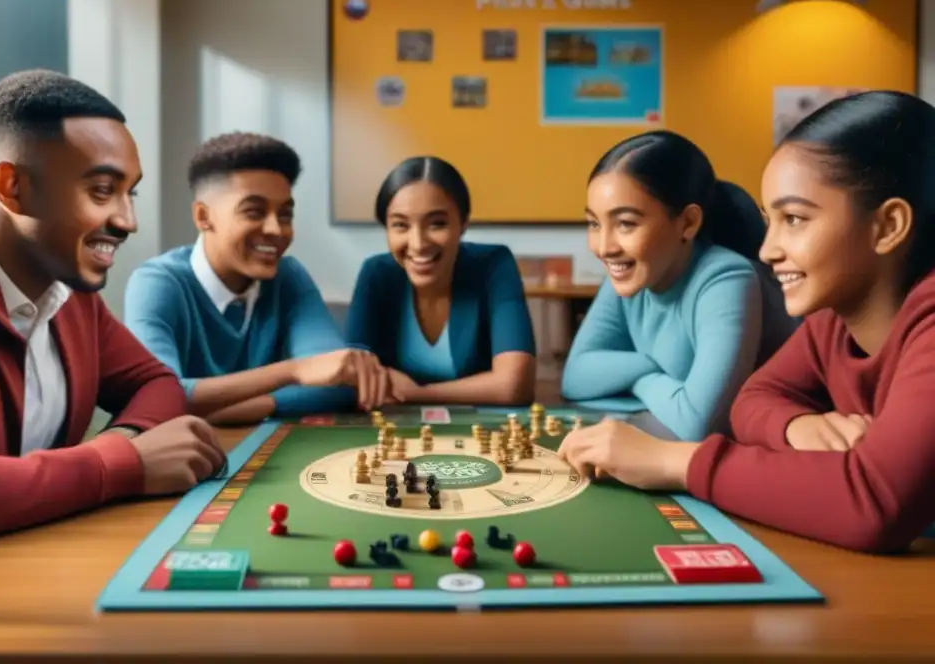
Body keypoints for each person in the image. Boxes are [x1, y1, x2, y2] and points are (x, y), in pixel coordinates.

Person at [558, 90, 935, 554]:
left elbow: (873, 502)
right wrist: (795, 425)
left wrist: (678, 462)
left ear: (888, 226)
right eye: (768, 219)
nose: (767, 250)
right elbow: (753, 399)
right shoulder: (831, 322)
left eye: (794, 219)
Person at [0, 69, 224, 561]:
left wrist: (122, 445)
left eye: (130, 192)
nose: (127, 221)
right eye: (102, 190)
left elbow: (156, 383)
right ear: (12, 187)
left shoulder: (68, 288)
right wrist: (119, 465)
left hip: (23, 563)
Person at [124, 132, 390, 425]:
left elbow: (339, 380)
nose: (276, 230)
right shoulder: (157, 283)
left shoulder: (288, 276)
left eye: (285, 215)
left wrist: (247, 407)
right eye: (254, 212)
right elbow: (157, 396)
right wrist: (294, 372)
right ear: (203, 217)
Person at [560, 131, 798, 441]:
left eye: (626, 223)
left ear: (687, 223)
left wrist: (635, 378)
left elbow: (699, 424)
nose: (604, 247)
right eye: (594, 223)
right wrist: (652, 371)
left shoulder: (727, 278)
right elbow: (576, 376)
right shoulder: (633, 272)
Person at [345, 156, 536, 405]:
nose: (418, 244)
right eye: (400, 225)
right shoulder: (376, 274)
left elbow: (515, 385)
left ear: (463, 223)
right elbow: (351, 377)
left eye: (437, 224)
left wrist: (417, 394)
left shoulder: (493, 264)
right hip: (393, 433)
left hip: (477, 432)